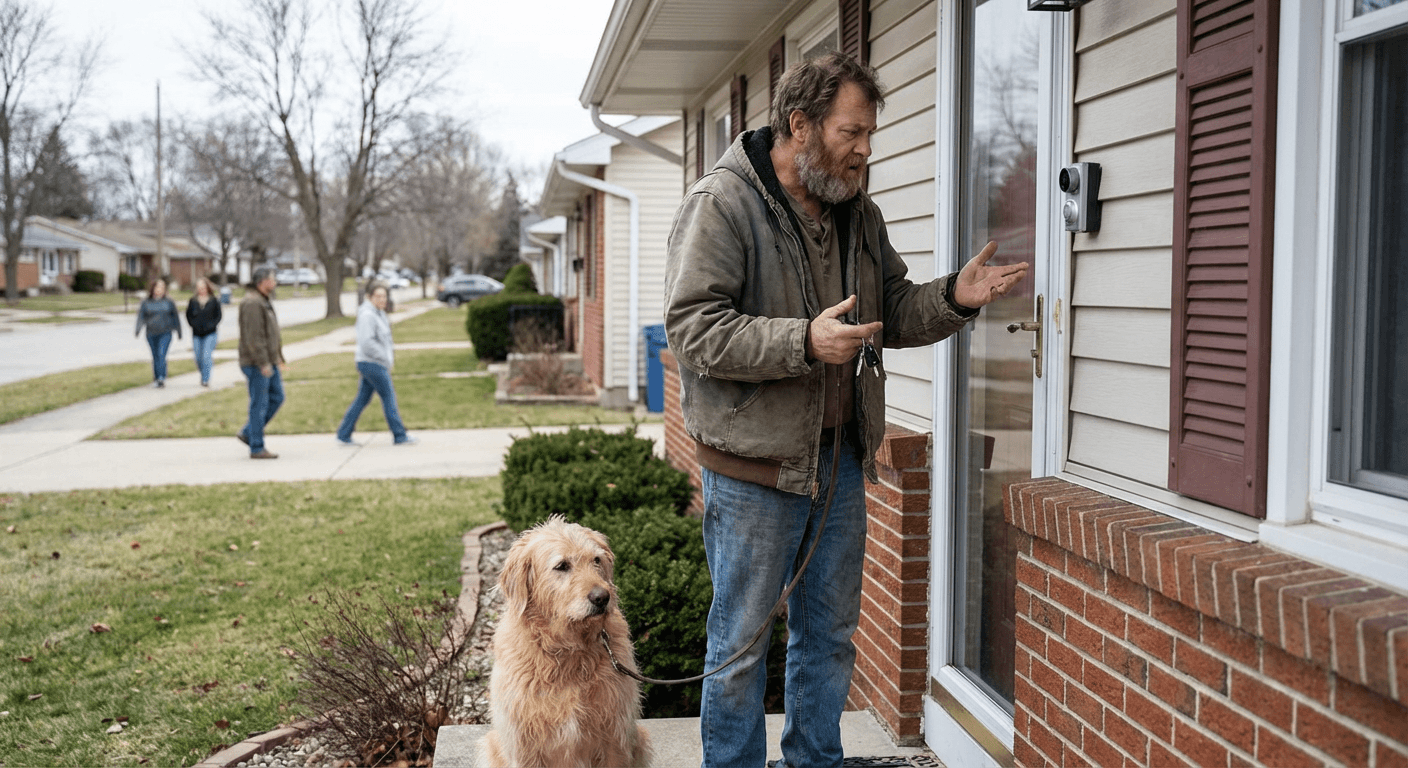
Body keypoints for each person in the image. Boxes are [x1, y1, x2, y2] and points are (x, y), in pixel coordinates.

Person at [663, 52, 1029, 768]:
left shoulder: (860, 213)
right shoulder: (724, 203)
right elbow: (694, 330)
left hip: (838, 464)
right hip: (753, 472)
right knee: (739, 646)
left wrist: (954, 296)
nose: (865, 150)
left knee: (829, 638)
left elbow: (891, 309)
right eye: (850, 132)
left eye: (869, 135)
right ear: (800, 125)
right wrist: (803, 341)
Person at [334, 284, 416, 446]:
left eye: (384, 296)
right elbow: (367, 343)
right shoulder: (368, 315)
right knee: (388, 397)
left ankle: (344, 433)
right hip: (372, 363)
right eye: (378, 296)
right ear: (370, 297)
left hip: (372, 363)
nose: (382, 299)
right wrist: (384, 357)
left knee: (362, 399)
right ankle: (399, 435)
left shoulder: (379, 314)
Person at [237, 267, 285, 459]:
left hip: (269, 360)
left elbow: (269, 333)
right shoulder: (252, 303)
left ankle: (249, 432)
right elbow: (254, 337)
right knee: (259, 403)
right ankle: (256, 446)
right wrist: (263, 363)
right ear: (262, 282)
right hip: (256, 363)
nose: (275, 283)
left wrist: (276, 357)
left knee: (277, 397)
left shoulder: (263, 300)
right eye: (272, 279)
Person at [134, 277, 182, 388]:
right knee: (155, 356)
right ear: (153, 288)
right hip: (151, 333)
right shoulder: (146, 302)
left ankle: (161, 377)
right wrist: (138, 329)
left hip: (165, 332)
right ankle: (156, 376)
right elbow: (141, 316)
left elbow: (175, 316)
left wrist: (179, 331)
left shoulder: (169, 302)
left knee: (161, 354)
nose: (160, 289)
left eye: (162, 287)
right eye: (158, 287)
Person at [186, 277, 223, 387]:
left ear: (207, 288)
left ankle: (205, 379)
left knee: (206, 356)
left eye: (203, 287)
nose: (201, 290)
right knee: (198, 357)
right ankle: (204, 372)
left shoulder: (213, 300)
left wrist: (212, 324)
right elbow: (188, 315)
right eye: (199, 288)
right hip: (197, 333)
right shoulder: (193, 301)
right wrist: (193, 324)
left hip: (210, 333)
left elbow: (219, 315)